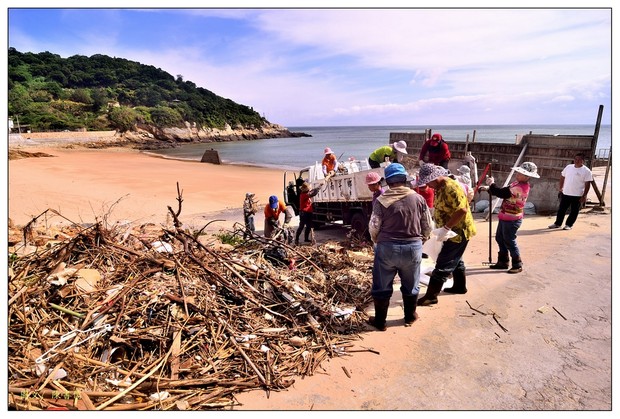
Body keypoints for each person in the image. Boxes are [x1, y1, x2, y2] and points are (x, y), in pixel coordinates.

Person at [367, 163, 433, 331]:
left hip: (387, 249)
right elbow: (428, 226)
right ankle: (410, 316)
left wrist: (377, 241)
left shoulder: (381, 201)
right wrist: (421, 240)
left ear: (387, 182)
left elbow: (374, 227)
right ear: (405, 179)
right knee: (411, 284)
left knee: (382, 285)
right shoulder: (418, 198)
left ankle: (381, 322)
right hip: (413, 248)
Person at [416, 163, 477, 306]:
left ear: (434, 178)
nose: (428, 186)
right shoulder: (440, 187)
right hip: (450, 230)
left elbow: (462, 210)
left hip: (458, 230)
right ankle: (460, 286)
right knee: (456, 259)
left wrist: (446, 227)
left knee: (444, 263)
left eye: (428, 182)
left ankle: (431, 295)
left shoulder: (451, 187)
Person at [482, 162, 540, 274]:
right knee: (500, 237)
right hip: (505, 215)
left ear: (527, 177)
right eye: (518, 172)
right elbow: (503, 191)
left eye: (521, 173)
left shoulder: (520, 187)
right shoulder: (516, 183)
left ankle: (517, 263)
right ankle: (503, 261)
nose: (517, 174)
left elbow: (502, 193)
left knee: (509, 240)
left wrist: (492, 185)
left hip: (512, 217)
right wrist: (490, 188)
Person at [548, 153, 593, 231]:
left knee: (574, 211)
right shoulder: (569, 167)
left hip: (578, 195)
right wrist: (561, 188)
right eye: (575, 159)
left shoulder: (586, 171)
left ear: (583, 161)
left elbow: (587, 184)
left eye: (579, 159)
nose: (577, 161)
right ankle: (557, 223)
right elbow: (562, 177)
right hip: (566, 193)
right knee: (561, 209)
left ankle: (569, 224)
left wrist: (584, 195)